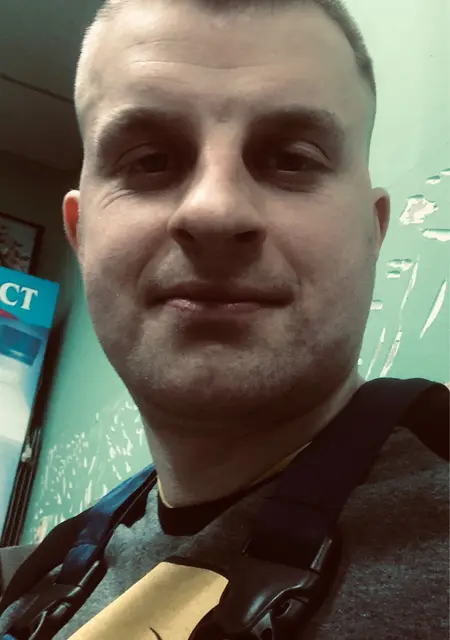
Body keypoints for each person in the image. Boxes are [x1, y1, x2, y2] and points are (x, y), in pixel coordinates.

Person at [0, 0, 448, 638]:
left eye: (292, 157)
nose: (214, 210)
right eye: (150, 160)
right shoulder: (41, 576)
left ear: (372, 233)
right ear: (81, 235)